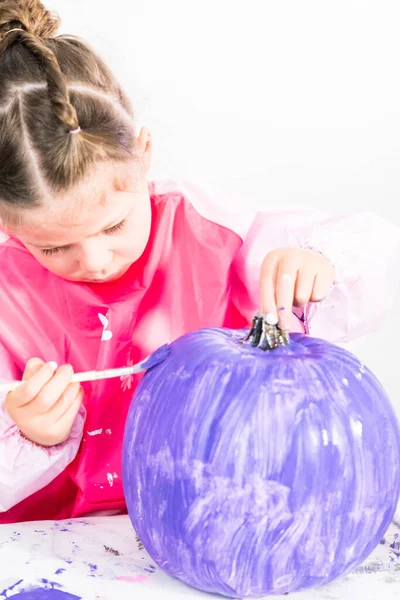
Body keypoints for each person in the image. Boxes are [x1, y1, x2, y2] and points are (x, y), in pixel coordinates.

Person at [0, 0, 398, 524]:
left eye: (114, 226)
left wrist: (320, 265)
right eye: (52, 247)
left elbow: (371, 261)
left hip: (216, 520)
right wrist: (30, 437)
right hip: (54, 543)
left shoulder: (216, 235)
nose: (94, 261)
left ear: (142, 156)